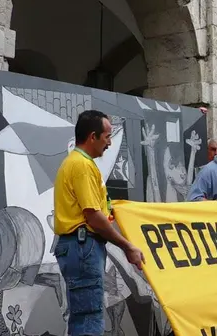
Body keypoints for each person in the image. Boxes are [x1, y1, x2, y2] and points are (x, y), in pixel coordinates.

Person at [53, 110, 145, 335]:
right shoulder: (82, 166)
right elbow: (94, 216)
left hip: (79, 246)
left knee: (84, 315)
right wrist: (127, 246)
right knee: (89, 318)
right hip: (83, 246)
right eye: (107, 136)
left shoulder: (78, 163)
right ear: (92, 136)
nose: (110, 143)